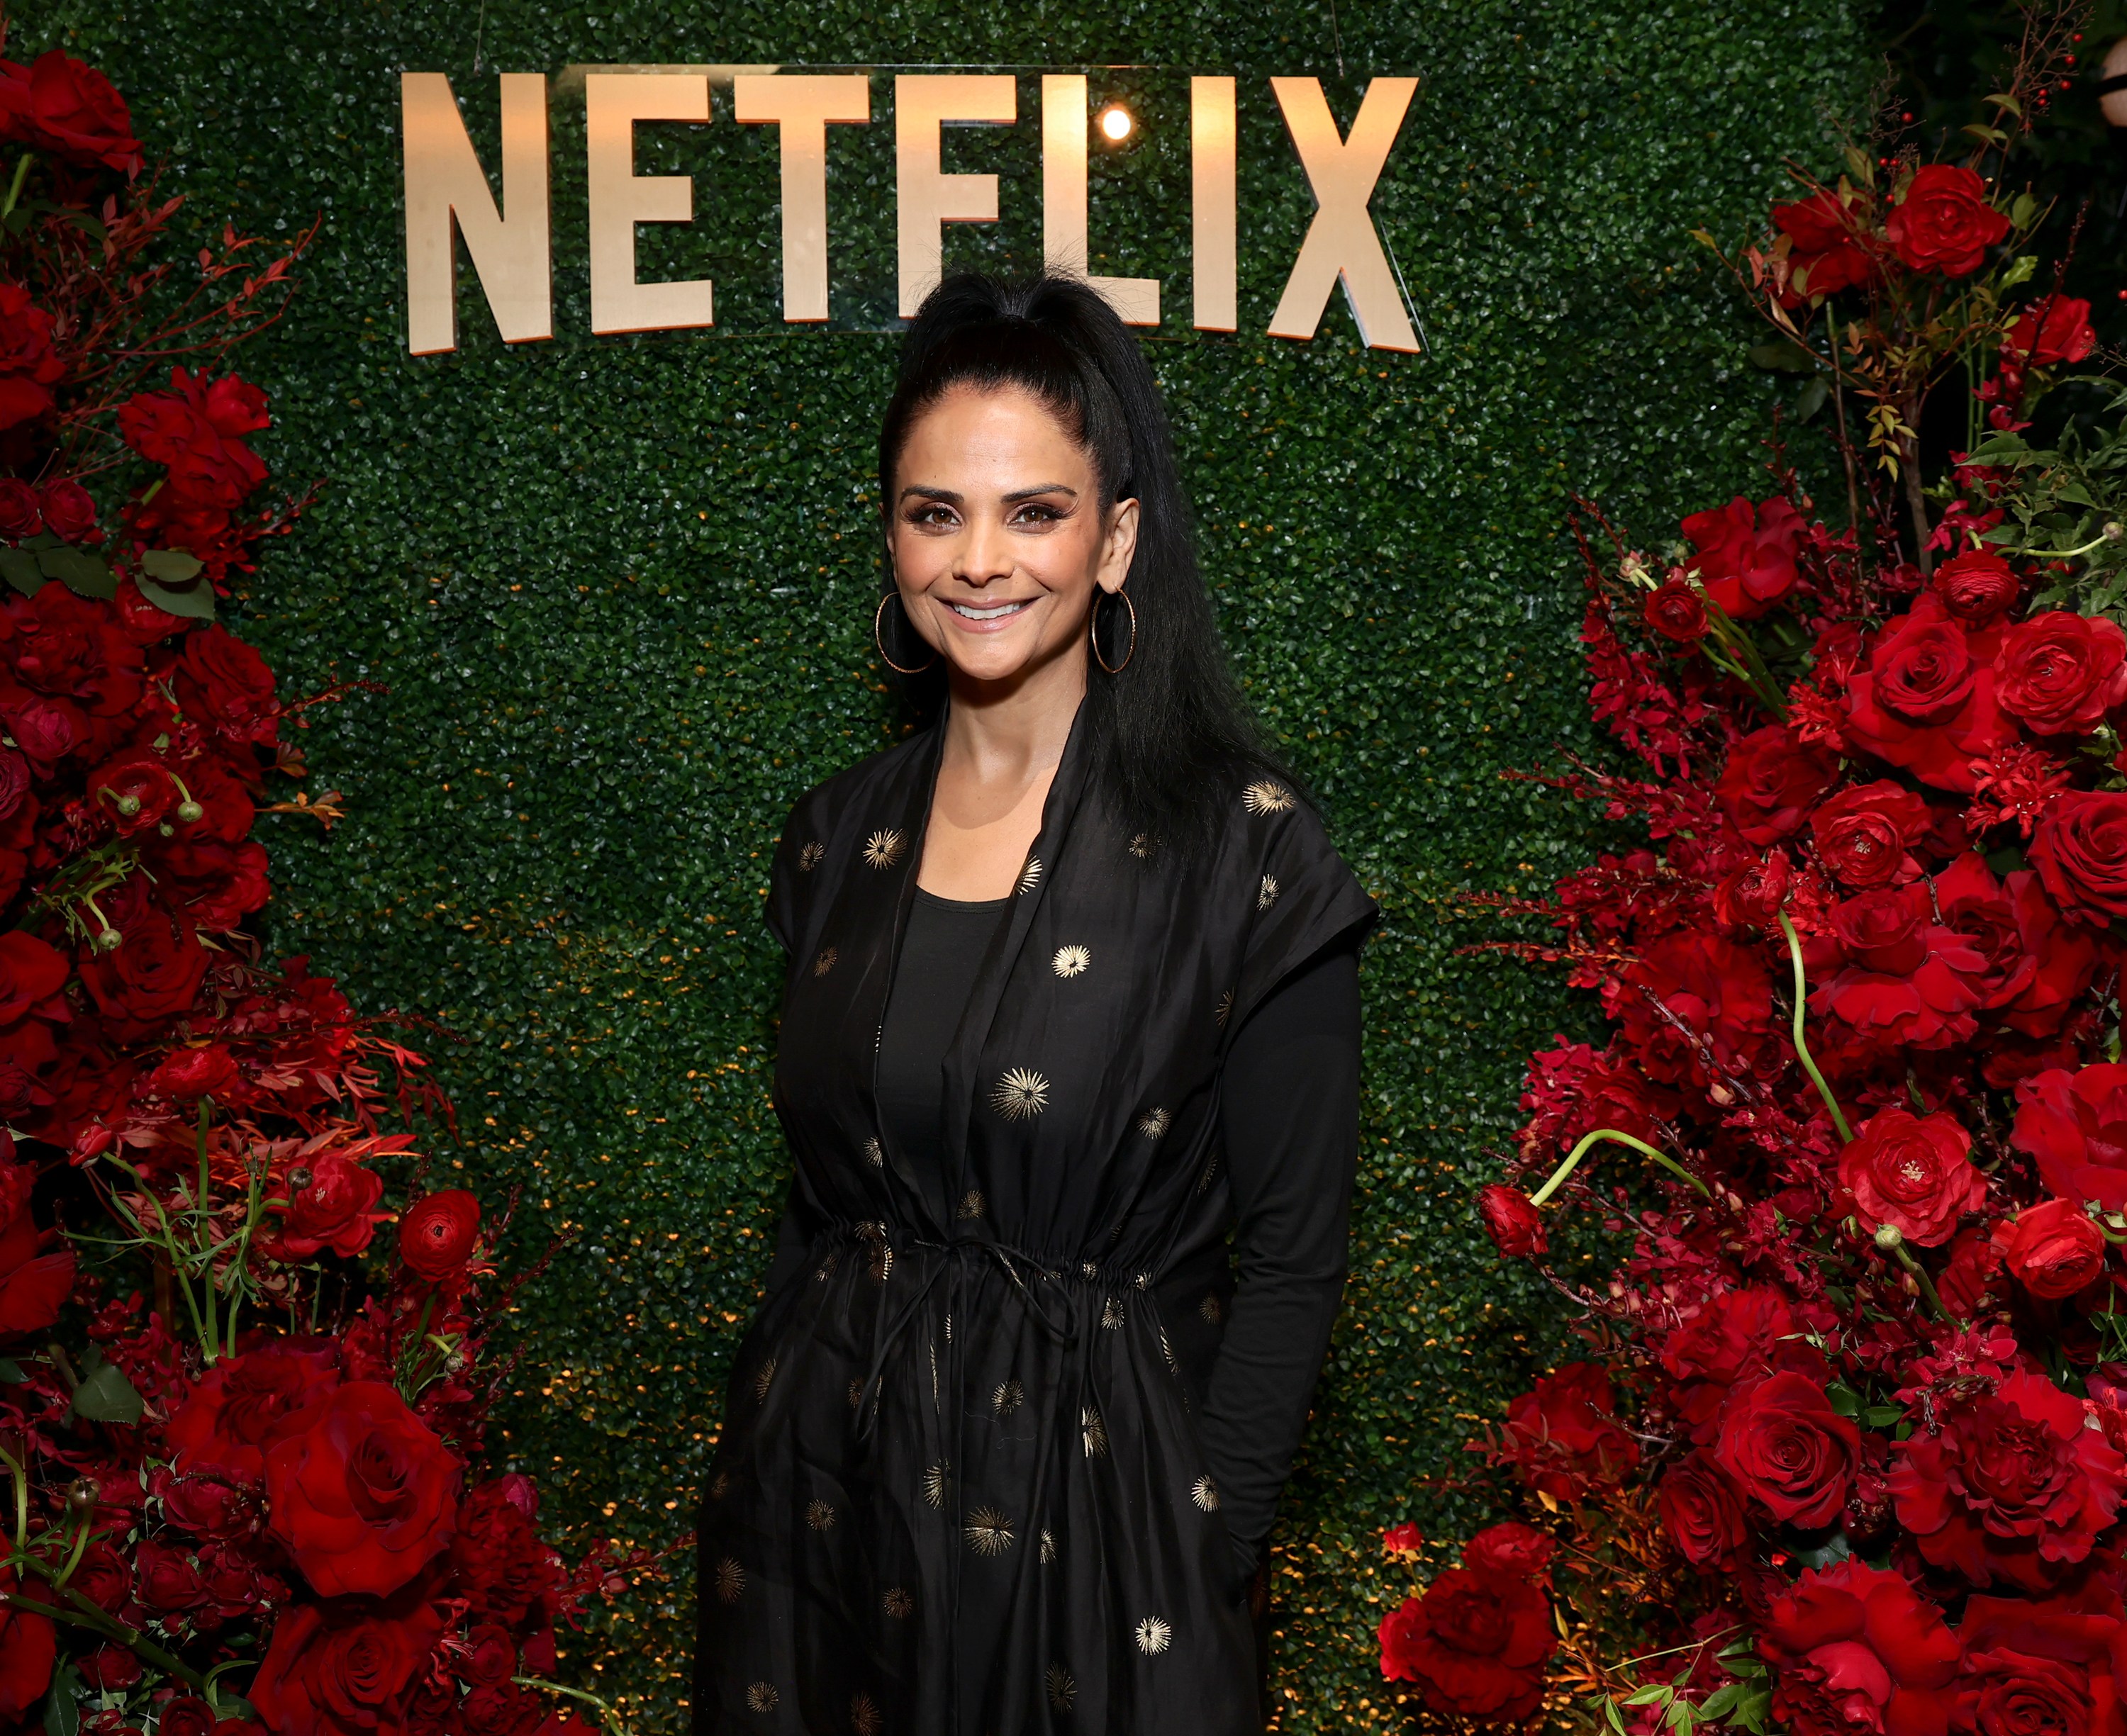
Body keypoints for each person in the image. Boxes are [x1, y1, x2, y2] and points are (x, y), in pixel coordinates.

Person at [693, 273, 1375, 1735]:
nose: (979, 560)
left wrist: (1207, 1551)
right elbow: (820, 1219)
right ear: (891, 535)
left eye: (1035, 512)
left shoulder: (1250, 856)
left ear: (1117, 538)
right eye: (935, 513)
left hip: (1108, 1548)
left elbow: (1297, 1263)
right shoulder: (832, 837)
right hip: (822, 1530)